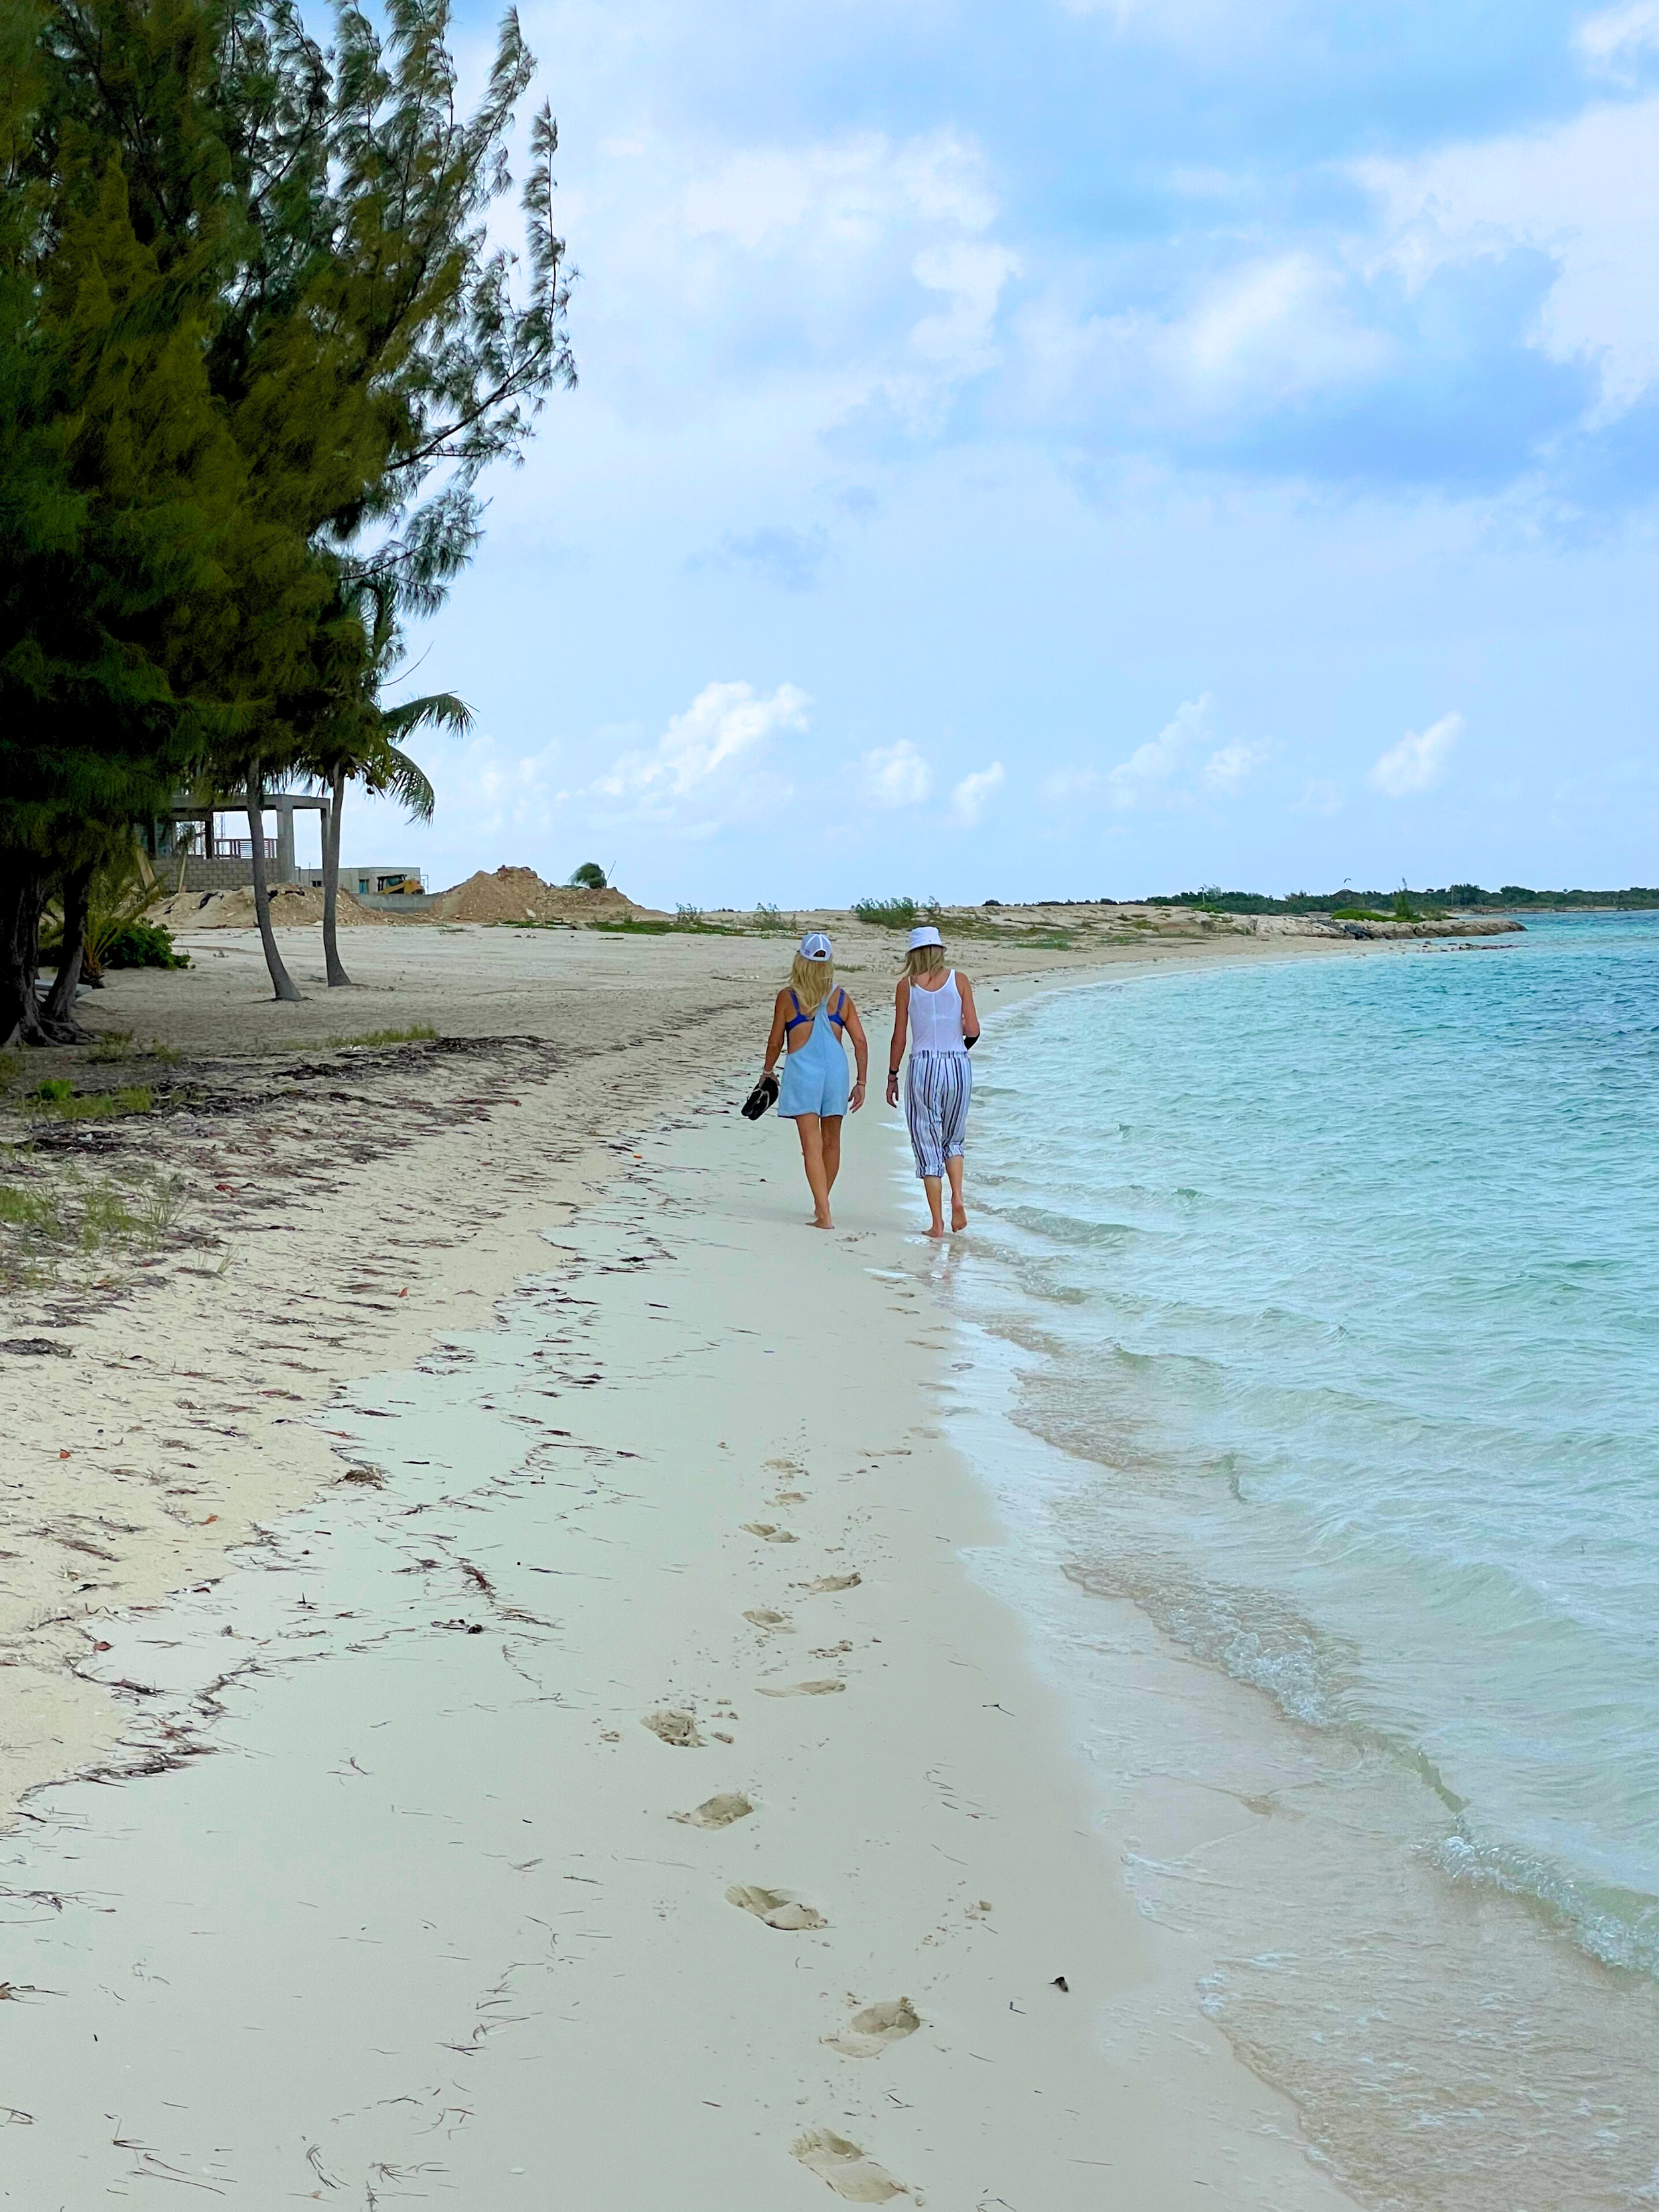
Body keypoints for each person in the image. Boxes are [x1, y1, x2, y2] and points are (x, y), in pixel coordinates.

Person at [760, 932, 869, 1229]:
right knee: (832, 1142)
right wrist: (862, 1082)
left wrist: (768, 1072)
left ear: (800, 961)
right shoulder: (840, 998)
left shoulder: (789, 997)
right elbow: (860, 1041)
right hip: (836, 1071)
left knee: (811, 1144)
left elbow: (775, 1042)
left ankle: (825, 1213)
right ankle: (823, 1205)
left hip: (803, 1072)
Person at [885, 924, 979, 1237]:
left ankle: (937, 1223)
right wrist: (956, 1042)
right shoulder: (960, 981)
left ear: (913, 954)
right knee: (953, 1139)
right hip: (957, 1064)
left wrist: (893, 1074)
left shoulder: (906, 986)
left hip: (924, 1066)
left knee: (927, 1142)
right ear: (939, 951)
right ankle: (959, 1197)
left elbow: (900, 1035)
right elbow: (974, 1030)